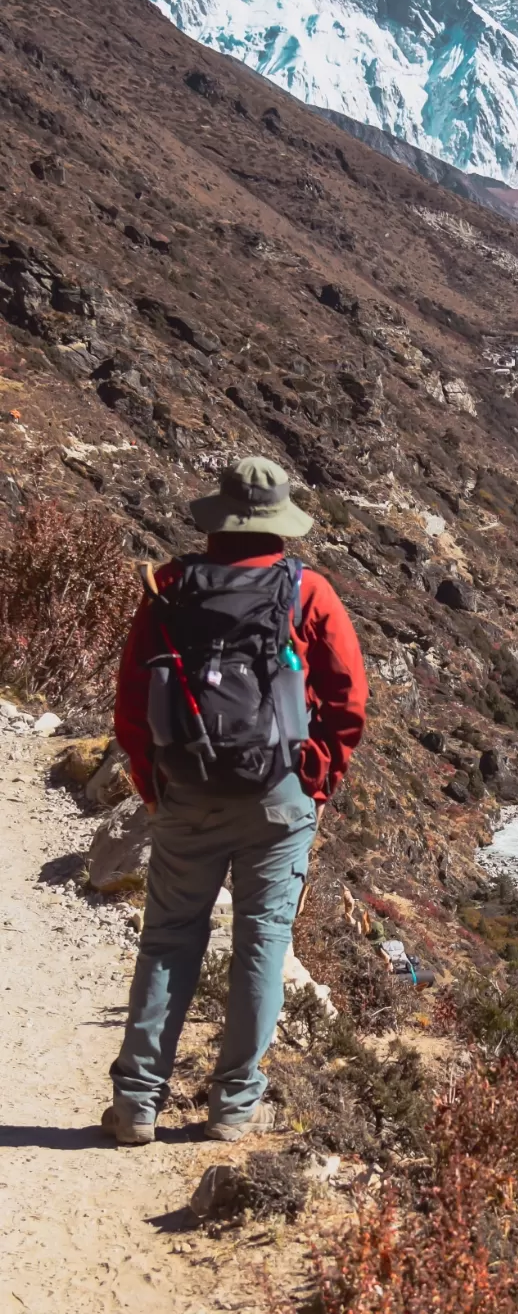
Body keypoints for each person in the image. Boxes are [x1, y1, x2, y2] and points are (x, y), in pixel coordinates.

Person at [104, 457, 368, 1145]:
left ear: (216, 517)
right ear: (280, 520)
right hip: (278, 795)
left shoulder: (169, 587)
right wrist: (315, 777)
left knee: (168, 938)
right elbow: (347, 701)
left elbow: (133, 701)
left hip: (185, 788)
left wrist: (152, 784)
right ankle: (233, 1106)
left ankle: (137, 1102)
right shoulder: (308, 591)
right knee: (261, 942)